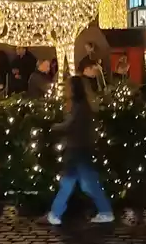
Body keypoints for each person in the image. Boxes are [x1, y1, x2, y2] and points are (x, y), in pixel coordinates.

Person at [47, 75, 114, 225]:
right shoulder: (84, 105)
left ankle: (55, 213)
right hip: (82, 147)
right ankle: (105, 211)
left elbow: (71, 125)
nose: (66, 89)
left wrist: (54, 127)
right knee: (86, 182)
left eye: (68, 86)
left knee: (70, 181)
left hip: (77, 147)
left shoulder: (79, 106)